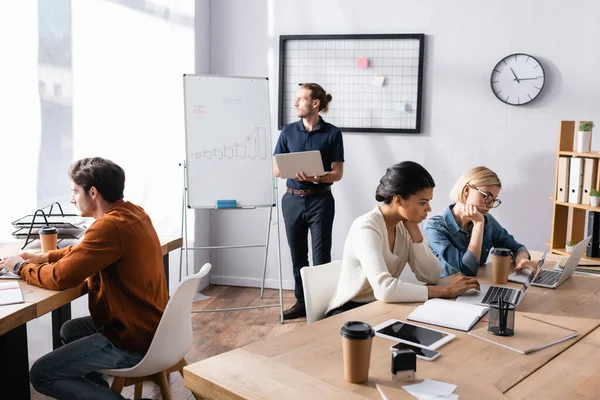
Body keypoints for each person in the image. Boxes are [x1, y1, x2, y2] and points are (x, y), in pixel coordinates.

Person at [0, 157, 169, 400]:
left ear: (92, 192)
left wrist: (20, 267)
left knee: (41, 374)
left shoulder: (109, 227)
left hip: (133, 340)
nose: (71, 199)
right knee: (71, 329)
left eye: (74, 191)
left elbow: (60, 277)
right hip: (152, 326)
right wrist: (46, 256)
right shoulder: (133, 213)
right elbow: (87, 252)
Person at [326, 162, 480, 317]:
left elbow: (431, 275)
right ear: (398, 200)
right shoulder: (366, 228)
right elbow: (384, 289)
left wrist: (414, 231)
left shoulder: (404, 225)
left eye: (428, 201)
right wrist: (444, 291)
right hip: (348, 312)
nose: (429, 209)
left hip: (380, 307)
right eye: (422, 202)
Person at [273, 83, 344, 320]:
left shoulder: (332, 133)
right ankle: (302, 303)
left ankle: (323, 304)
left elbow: (337, 173)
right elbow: (275, 168)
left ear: (315, 103)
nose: (295, 103)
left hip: (321, 200)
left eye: (301, 99)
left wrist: (319, 177)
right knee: (298, 256)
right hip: (292, 201)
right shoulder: (288, 132)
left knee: (321, 257)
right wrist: (291, 171)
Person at [424, 166, 539, 278]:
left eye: (494, 199)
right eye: (486, 196)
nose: (489, 205)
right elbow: (467, 270)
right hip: (448, 294)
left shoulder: (488, 221)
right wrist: (478, 224)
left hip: (477, 287)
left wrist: (522, 260)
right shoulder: (434, 227)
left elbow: (517, 248)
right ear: (467, 190)